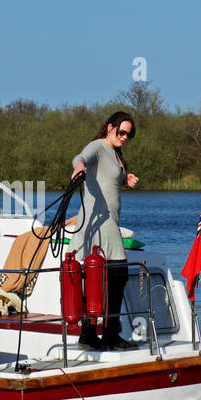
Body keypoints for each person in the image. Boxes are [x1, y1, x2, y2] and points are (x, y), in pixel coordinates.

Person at [70, 111, 139, 349]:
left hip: (109, 223)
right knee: (114, 275)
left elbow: (108, 180)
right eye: (121, 132)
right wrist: (79, 168)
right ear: (110, 127)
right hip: (98, 223)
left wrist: (124, 178)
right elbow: (79, 157)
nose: (124, 137)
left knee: (105, 278)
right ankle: (99, 335)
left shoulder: (115, 154)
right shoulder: (98, 146)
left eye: (129, 135)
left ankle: (96, 335)